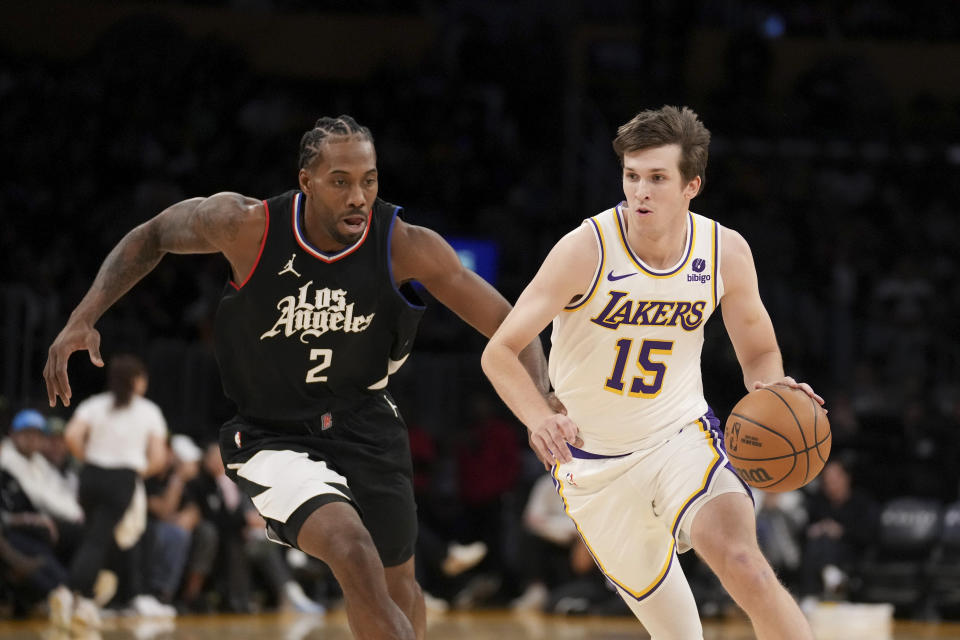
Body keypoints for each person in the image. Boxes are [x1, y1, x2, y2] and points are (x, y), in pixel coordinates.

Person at [44, 115, 550, 640]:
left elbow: (511, 325)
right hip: (274, 434)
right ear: (306, 181)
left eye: (369, 180)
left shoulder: (403, 244)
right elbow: (152, 237)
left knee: (399, 582)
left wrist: (541, 406)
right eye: (341, 181)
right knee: (352, 551)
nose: (359, 196)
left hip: (368, 422)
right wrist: (83, 316)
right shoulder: (245, 227)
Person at [481, 105, 824, 639]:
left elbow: (757, 351)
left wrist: (770, 387)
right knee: (679, 634)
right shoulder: (585, 250)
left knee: (747, 566)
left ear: (692, 185)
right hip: (592, 465)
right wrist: (536, 415)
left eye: (657, 178)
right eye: (631, 176)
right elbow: (500, 351)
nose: (640, 191)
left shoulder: (724, 251)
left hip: (680, 438)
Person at [55, 354, 170, 629]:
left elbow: (71, 435)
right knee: (99, 538)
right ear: (137, 381)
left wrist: (88, 459)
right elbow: (159, 458)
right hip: (122, 479)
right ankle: (72, 592)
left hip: (91, 474)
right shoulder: (149, 411)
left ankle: (86, 599)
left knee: (94, 535)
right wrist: (135, 471)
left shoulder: (95, 404)